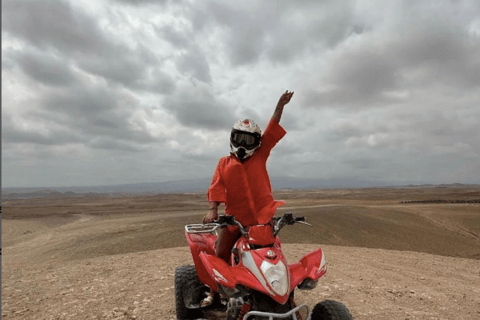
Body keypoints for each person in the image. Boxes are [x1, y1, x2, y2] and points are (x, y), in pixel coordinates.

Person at [200, 90, 294, 306]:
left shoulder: (261, 154)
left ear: (256, 142)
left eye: (248, 139)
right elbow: (216, 186)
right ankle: (215, 293)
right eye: (239, 138)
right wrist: (213, 210)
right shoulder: (224, 163)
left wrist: (279, 107)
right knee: (220, 253)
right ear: (232, 139)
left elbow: (271, 130)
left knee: (274, 252)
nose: (243, 144)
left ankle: (283, 292)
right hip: (235, 219)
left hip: (262, 218)